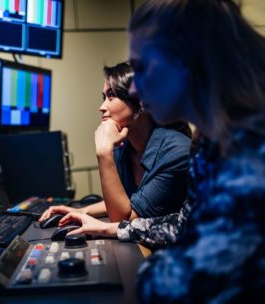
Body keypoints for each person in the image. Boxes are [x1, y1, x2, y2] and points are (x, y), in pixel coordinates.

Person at [125, 0, 264, 301]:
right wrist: (116, 231)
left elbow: (177, 287)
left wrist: (153, 267)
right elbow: (185, 226)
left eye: (141, 67)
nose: (133, 89)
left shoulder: (252, 151)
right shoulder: (210, 145)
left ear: (186, 57)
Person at [40, 62, 191, 224]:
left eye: (111, 96)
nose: (102, 107)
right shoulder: (125, 147)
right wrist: (81, 211)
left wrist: (104, 153)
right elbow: (125, 203)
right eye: (104, 97)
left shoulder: (177, 152)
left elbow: (123, 220)